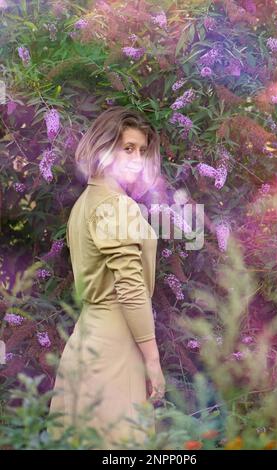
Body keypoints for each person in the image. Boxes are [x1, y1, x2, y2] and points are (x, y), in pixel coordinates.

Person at [48, 106, 166, 450]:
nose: (136, 159)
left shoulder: (86, 203)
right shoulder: (117, 206)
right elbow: (130, 289)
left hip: (85, 343)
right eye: (127, 148)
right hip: (116, 347)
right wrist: (153, 360)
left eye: (142, 151)